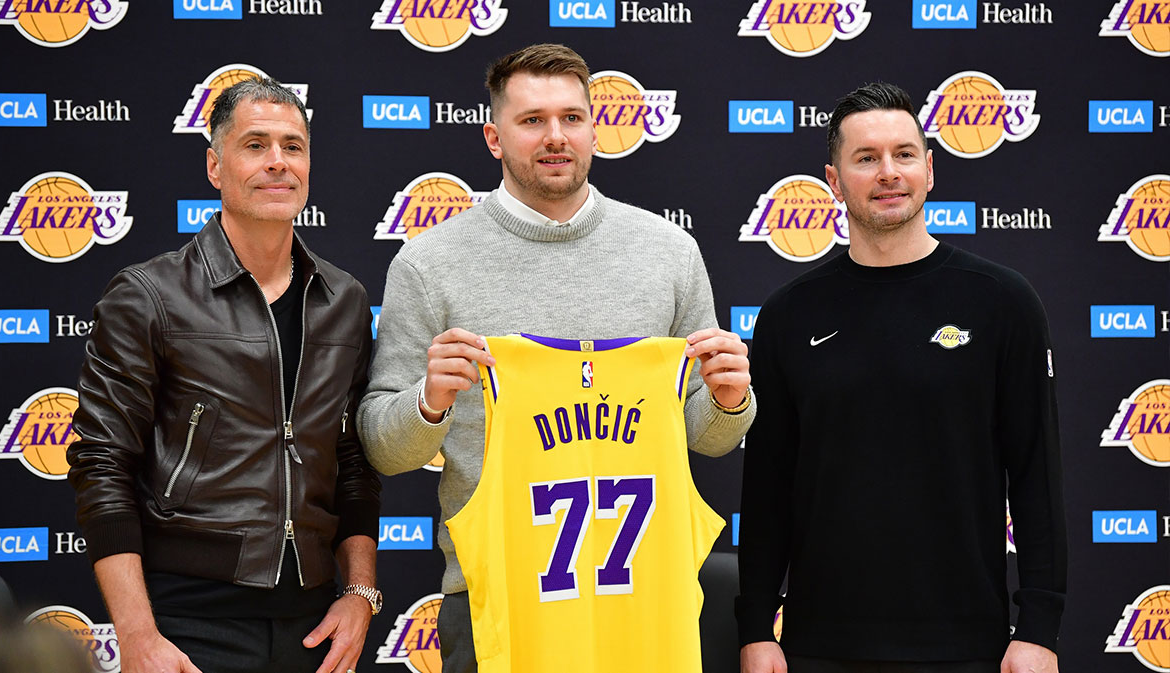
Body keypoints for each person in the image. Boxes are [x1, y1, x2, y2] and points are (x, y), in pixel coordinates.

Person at [357, 43, 755, 672]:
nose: (555, 137)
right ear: (494, 137)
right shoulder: (430, 264)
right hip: (498, 598)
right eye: (532, 120)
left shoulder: (668, 252)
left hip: (642, 600)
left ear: (595, 128)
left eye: (572, 118)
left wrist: (731, 401)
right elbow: (382, 447)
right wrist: (429, 403)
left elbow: (705, 437)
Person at [736, 82, 1067, 673]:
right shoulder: (789, 314)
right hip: (820, 646)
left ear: (930, 170)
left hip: (967, 647)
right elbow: (767, 487)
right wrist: (757, 628)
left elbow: (1037, 474)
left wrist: (1039, 628)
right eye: (866, 159)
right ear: (834, 181)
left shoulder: (1002, 301)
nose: (888, 172)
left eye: (904, 154)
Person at [67, 76, 382, 673]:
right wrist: (136, 635)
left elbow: (354, 460)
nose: (277, 163)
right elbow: (101, 464)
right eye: (255, 145)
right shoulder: (149, 295)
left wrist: (360, 594)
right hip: (188, 626)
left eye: (293, 146)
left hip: (312, 628)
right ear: (215, 166)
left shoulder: (344, 299)